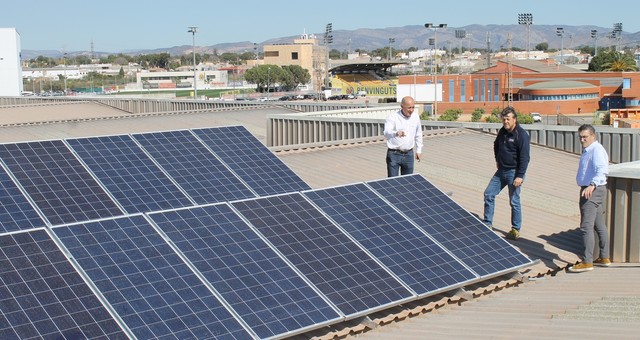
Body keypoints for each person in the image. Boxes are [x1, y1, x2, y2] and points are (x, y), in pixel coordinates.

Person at [482, 106, 530, 240]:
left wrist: (520, 176)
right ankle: (487, 223)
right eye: (504, 120)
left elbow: (525, 158)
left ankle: (515, 229)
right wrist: (497, 159)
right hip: (501, 170)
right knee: (489, 194)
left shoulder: (521, 135)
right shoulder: (502, 131)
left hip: (514, 173)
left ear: (514, 119)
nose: (505, 122)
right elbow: (496, 145)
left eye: (508, 119)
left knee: (514, 201)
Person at [568, 124, 610, 273]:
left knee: (586, 226)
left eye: (585, 136)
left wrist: (591, 185)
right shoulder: (588, 150)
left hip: (591, 191)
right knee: (599, 225)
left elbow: (602, 170)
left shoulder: (596, 150)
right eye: (580, 137)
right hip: (592, 189)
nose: (582, 139)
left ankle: (587, 261)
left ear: (593, 136)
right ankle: (604, 257)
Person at [383, 96, 423, 177]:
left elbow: (418, 134)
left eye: (413, 107)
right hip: (394, 154)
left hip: (409, 154)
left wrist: (419, 150)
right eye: (409, 108)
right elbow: (386, 132)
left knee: (407, 182)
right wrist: (396, 133)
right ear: (402, 106)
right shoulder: (393, 117)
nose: (411, 110)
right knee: (393, 183)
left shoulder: (415, 117)